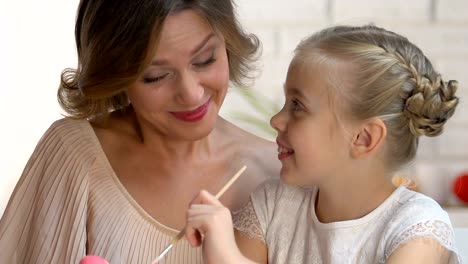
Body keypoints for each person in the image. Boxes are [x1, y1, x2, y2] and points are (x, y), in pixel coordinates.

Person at [0, 0, 280, 263]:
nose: (192, 95)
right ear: (117, 76)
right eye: (155, 76)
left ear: (227, 43)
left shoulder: (281, 176)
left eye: (205, 59)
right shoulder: (73, 156)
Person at [184, 25, 462, 263]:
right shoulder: (272, 206)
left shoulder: (419, 228)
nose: (276, 120)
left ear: (363, 138)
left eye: (297, 106)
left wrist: (227, 256)